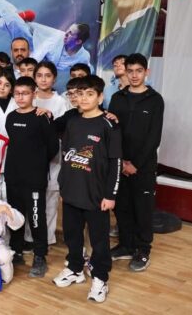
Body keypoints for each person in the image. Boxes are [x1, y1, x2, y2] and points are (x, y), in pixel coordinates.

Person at [53, 75, 121, 304]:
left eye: (89, 94)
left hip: (97, 195)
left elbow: (116, 163)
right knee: (72, 234)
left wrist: (111, 195)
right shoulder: (72, 121)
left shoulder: (109, 125)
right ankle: (75, 268)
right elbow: (66, 156)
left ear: (100, 97)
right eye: (80, 94)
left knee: (99, 240)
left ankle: (100, 278)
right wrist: (63, 185)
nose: (83, 98)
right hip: (72, 191)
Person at [107, 53, 164, 272]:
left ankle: (142, 249)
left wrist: (135, 164)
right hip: (120, 164)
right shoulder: (117, 98)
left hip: (143, 167)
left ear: (146, 72)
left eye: (139, 71)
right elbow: (113, 131)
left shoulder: (155, 100)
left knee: (142, 209)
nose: (134, 75)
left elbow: (154, 137)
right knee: (122, 207)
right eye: (130, 71)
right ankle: (126, 245)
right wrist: (120, 161)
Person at [4, 76, 59, 278]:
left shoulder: (41, 117)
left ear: (34, 94)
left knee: (36, 217)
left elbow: (53, 147)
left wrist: (37, 162)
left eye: (25, 93)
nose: (21, 97)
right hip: (13, 176)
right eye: (17, 93)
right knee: (15, 215)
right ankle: (16, 250)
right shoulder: (11, 117)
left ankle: (40, 255)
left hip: (34, 178)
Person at [34, 61, 69, 247]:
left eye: (47, 76)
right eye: (39, 75)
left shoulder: (60, 101)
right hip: (31, 155)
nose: (43, 79)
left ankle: (47, 238)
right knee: (32, 198)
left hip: (53, 155)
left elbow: (64, 129)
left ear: (54, 78)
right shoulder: (29, 97)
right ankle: (30, 238)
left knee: (50, 197)